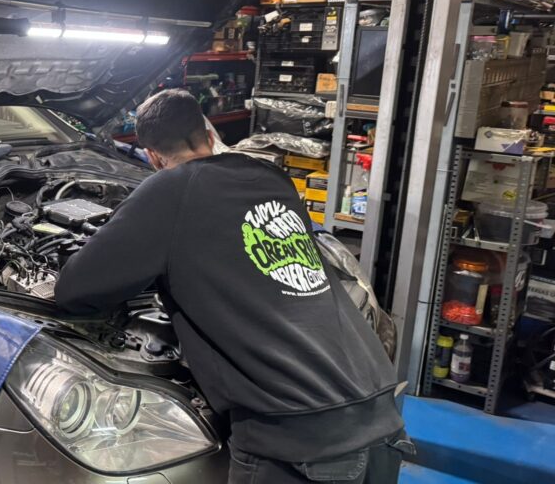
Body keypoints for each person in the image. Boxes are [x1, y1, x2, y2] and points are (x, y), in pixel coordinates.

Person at [55, 89, 412, 483]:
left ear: (153, 157)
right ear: (210, 135)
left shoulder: (169, 190)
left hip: (299, 439)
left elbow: (75, 290)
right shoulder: (271, 178)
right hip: (381, 414)